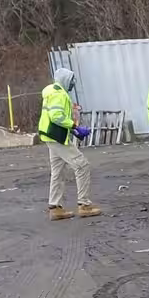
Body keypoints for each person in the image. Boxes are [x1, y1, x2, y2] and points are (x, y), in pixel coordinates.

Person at [39, 68, 101, 220]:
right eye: (72, 80)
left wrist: (73, 131)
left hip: (50, 135)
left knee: (58, 171)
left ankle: (55, 207)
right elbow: (56, 117)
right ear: (65, 80)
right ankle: (84, 204)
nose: (73, 83)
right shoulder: (59, 94)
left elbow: (55, 117)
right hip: (56, 136)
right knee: (82, 165)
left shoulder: (52, 92)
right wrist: (75, 127)